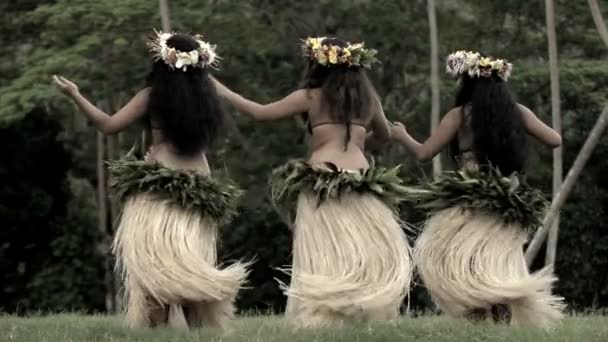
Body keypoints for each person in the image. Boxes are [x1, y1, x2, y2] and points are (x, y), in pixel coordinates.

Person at [211, 37, 412, 328]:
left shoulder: (311, 96)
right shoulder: (368, 100)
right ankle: (360, 314)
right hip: (362, 181)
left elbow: (260, 112)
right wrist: (357, 147)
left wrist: (221, 89)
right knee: (361, 253)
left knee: (327, 256)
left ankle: (326, 318)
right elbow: (384, 135)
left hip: (322, 181)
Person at [53, 30, 248, 329]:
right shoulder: (207, 94)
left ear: (163, 61)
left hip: (160, 180)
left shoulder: (153, 95)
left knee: (156, 263)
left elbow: (108, 126)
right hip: (200, 181)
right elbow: (240, 104)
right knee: (190, 257)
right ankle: (198, 323)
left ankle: (157, 328)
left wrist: (75, 95)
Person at [390, 50, 564, 328]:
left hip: (471, 196)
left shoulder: (459, 116)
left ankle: (479, 317)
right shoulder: (517, 112)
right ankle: (499, 317)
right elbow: (554, 139)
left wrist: (401, 136)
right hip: (506, 195)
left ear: (467, 84)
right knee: (497, 259)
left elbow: (424, 153)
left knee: (467, 260)